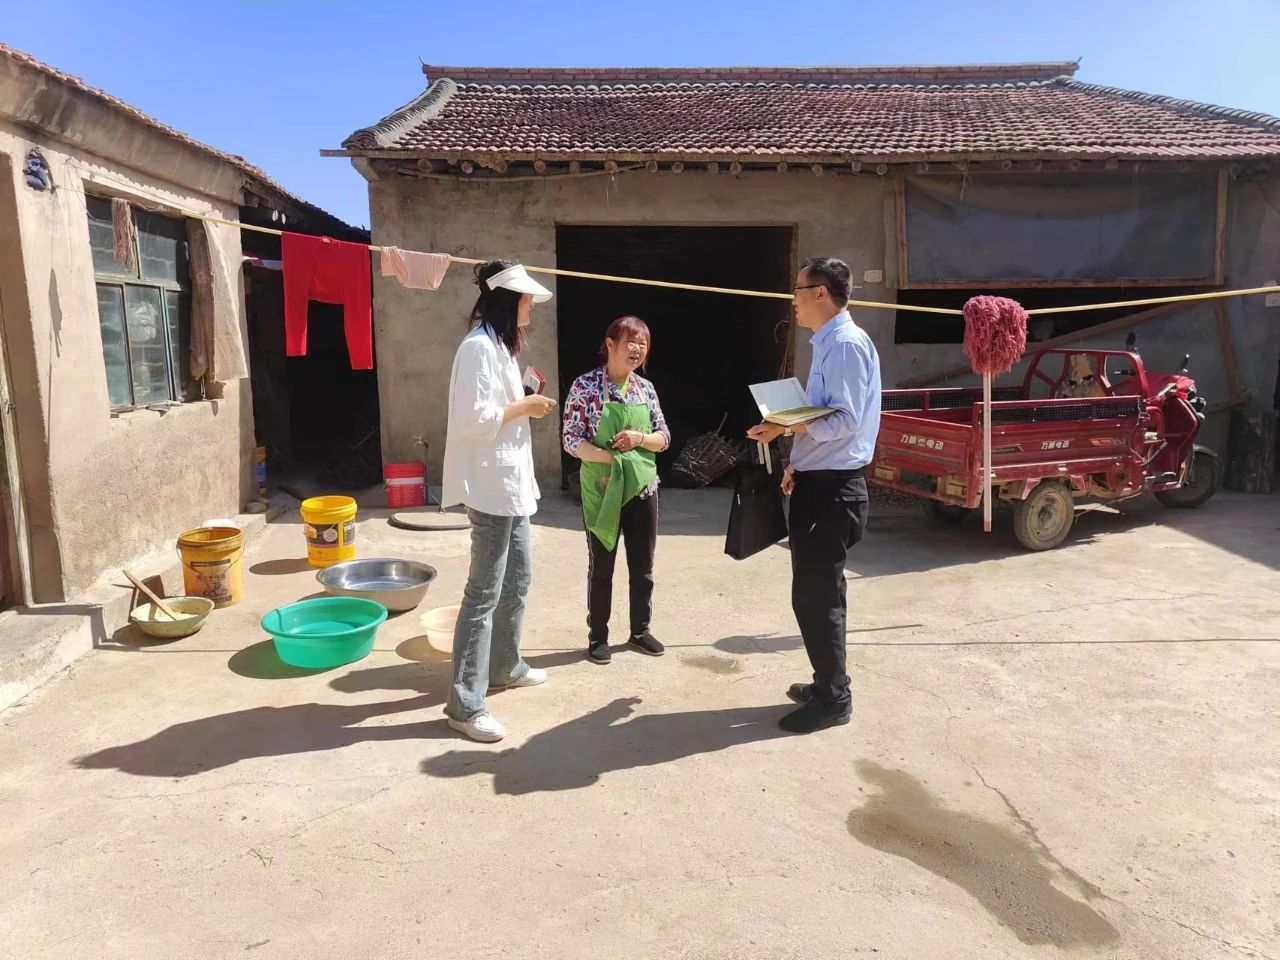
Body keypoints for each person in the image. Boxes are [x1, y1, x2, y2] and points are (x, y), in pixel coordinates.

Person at [747, 257, 881, 734]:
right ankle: (828, 683)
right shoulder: (830, 343)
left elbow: (844, 419)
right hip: (820, 481)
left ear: (821, 293)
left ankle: (834, 699)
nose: (794, 301)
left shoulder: (845, 345)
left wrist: (787, 424)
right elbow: (825, 416)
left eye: (798, 290)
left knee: (817, 597)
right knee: (818, 594)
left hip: (833, 491)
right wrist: (795, 461)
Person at [440, 259, 558, 742]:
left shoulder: (502, 348)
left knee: (518, 580)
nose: (531, 306)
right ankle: (464, 704)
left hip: (512, 485)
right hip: (490, 487)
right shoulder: (477, 349)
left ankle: (505, 665)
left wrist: (524, 398)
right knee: (483, 592)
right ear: (510, 300)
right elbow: (473, 419)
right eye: (526, 298)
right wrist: (524, 405)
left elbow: (499, 409)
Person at [562, 316, 672, 664]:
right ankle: (598, 637)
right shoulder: (585, 386)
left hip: (642, 488)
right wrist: (611, 459)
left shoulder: (646, 389)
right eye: (631, 342)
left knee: (643, 567)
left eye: (643, 343)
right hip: (602, 488)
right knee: (602, 568)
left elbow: (664, 438)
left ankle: (640, 631)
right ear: (610, 344)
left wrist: (639, 439)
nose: (638, 349)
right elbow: (571, 439)